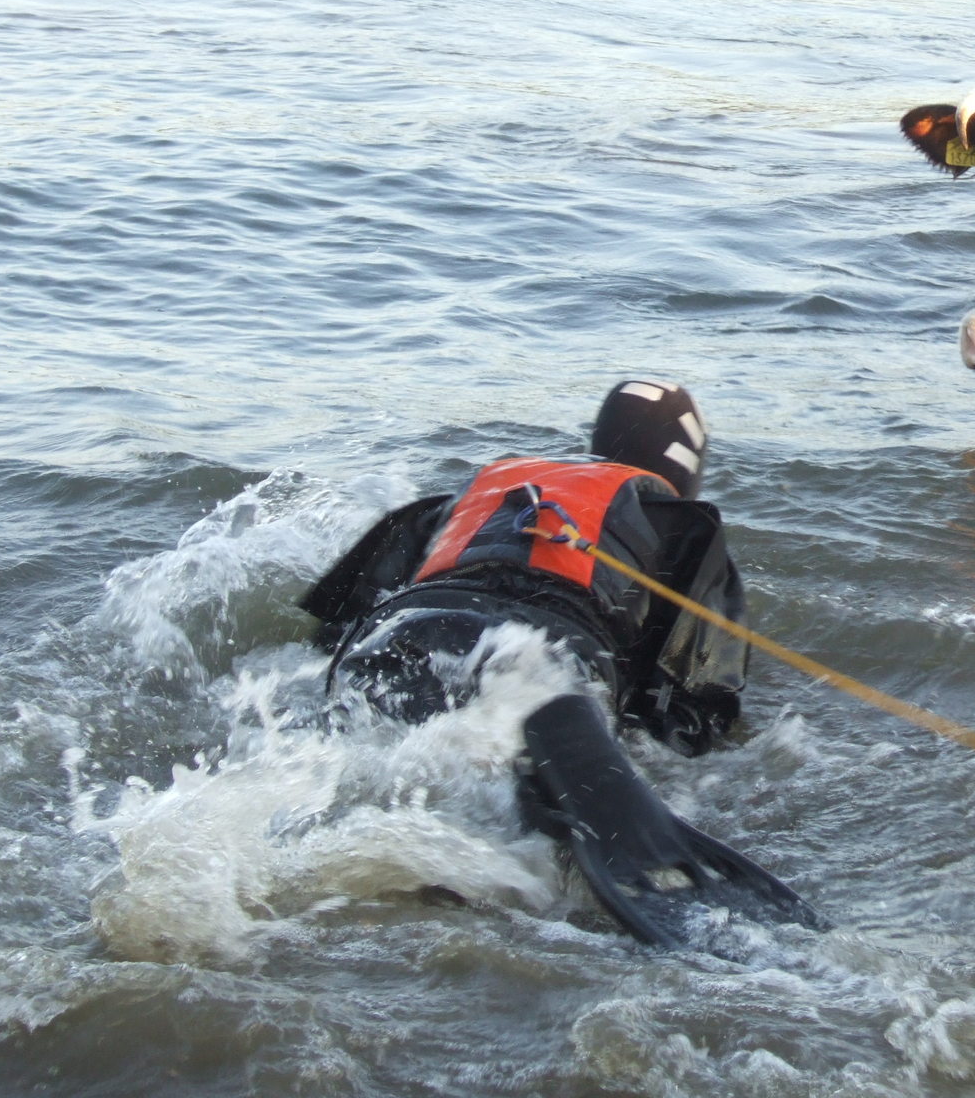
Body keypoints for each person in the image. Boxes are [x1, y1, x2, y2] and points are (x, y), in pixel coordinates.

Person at [300, 380, 821, 946]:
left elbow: (332, 622)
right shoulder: (684, 521)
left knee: (380, 750)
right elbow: (696, 706)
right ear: (685, 467)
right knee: (510, 785)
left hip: (400, 633)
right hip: (544, 649)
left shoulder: (484, 486)